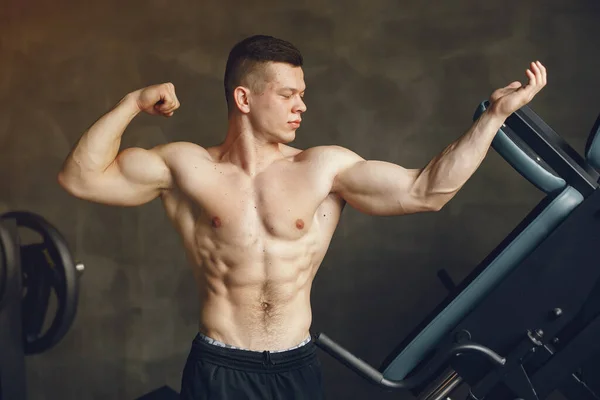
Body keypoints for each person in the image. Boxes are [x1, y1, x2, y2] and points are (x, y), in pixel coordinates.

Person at [57, 35, 547, 399]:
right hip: (219, 368)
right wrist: (132, 104)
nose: (302, 106)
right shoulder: (186, 166)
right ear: (244, 99)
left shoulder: (323, 168)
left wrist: (493, 117)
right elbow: (81, 178)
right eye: (288, 94)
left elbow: (427, 191)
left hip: (297, 367)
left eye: (302, 93)